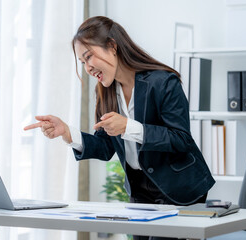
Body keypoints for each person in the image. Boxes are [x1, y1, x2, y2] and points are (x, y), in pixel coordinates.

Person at [24, 16, 215, 240]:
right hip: (141, 192)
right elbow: (105, 147)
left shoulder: (163, 82)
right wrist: (67, 132)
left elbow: (181, 139)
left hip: (179, 187)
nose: (87, 68)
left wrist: (129, 127)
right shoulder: (104, 93)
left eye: (89, 57)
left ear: (112, 46)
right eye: (82, 62)